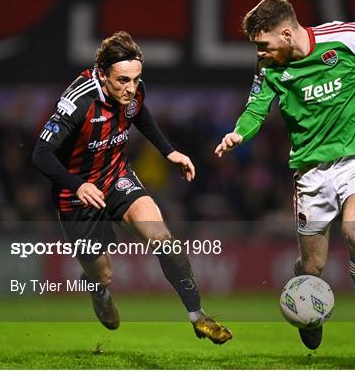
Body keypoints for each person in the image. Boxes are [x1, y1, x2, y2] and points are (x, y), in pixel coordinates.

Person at [215, 0, 355, 358]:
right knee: (312, 265)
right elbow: (255, 111)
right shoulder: (271, 70)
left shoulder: (345, 37)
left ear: (286, 34)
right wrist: (239, 133)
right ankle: (309, 311)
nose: (259, 54)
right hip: (310, 174)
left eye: (263, 45)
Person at [33, 31, 232, 345]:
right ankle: (97, 289)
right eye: (122, 80)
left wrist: (170, 152)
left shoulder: (133, 91)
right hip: (78, 197)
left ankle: (197, 316)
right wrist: (78, 184)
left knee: (164, 239)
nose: (130, 88)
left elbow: (139, 113)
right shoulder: (77, 102)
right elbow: (40, 154)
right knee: (104, 275)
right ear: (102, 75)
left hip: (117, 178)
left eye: (136, 80)